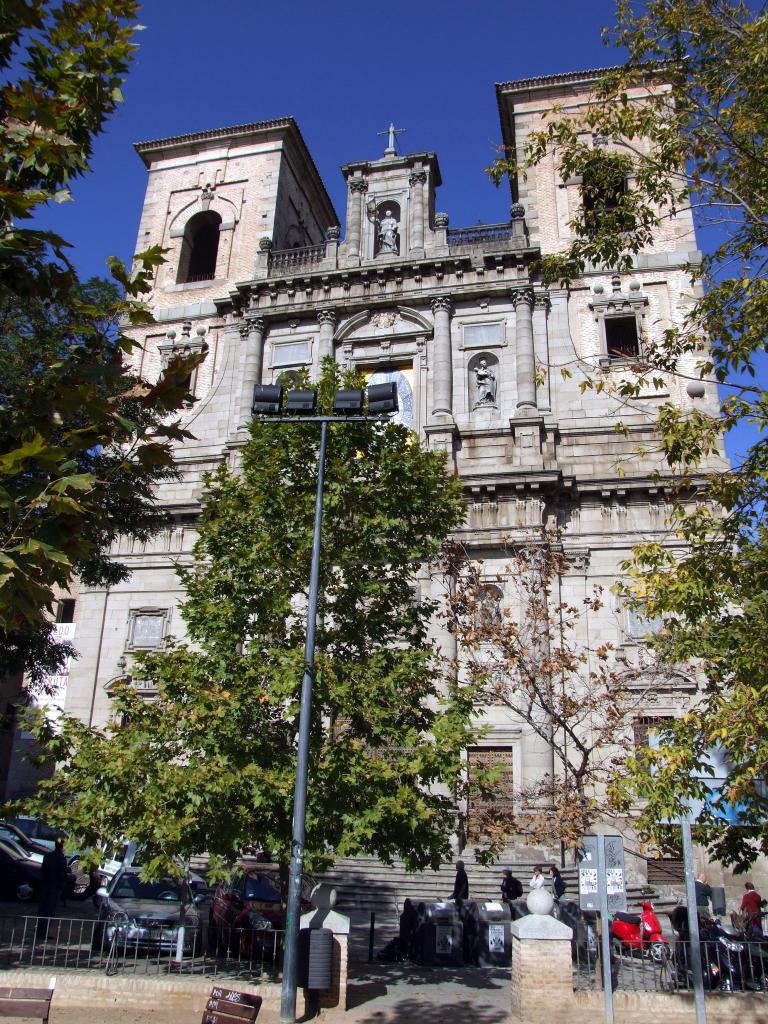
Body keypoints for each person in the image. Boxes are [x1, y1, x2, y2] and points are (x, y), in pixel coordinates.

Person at [37, 835, 69, 937]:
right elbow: (62, 875)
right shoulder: (61, 859)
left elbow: (43, 870)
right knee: (49, 911)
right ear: (62, 847)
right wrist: (71, 876)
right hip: (54, 888)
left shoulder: (48, 856)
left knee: (42, 910)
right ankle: (43, 933)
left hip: (45, 886)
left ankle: (40, 932)